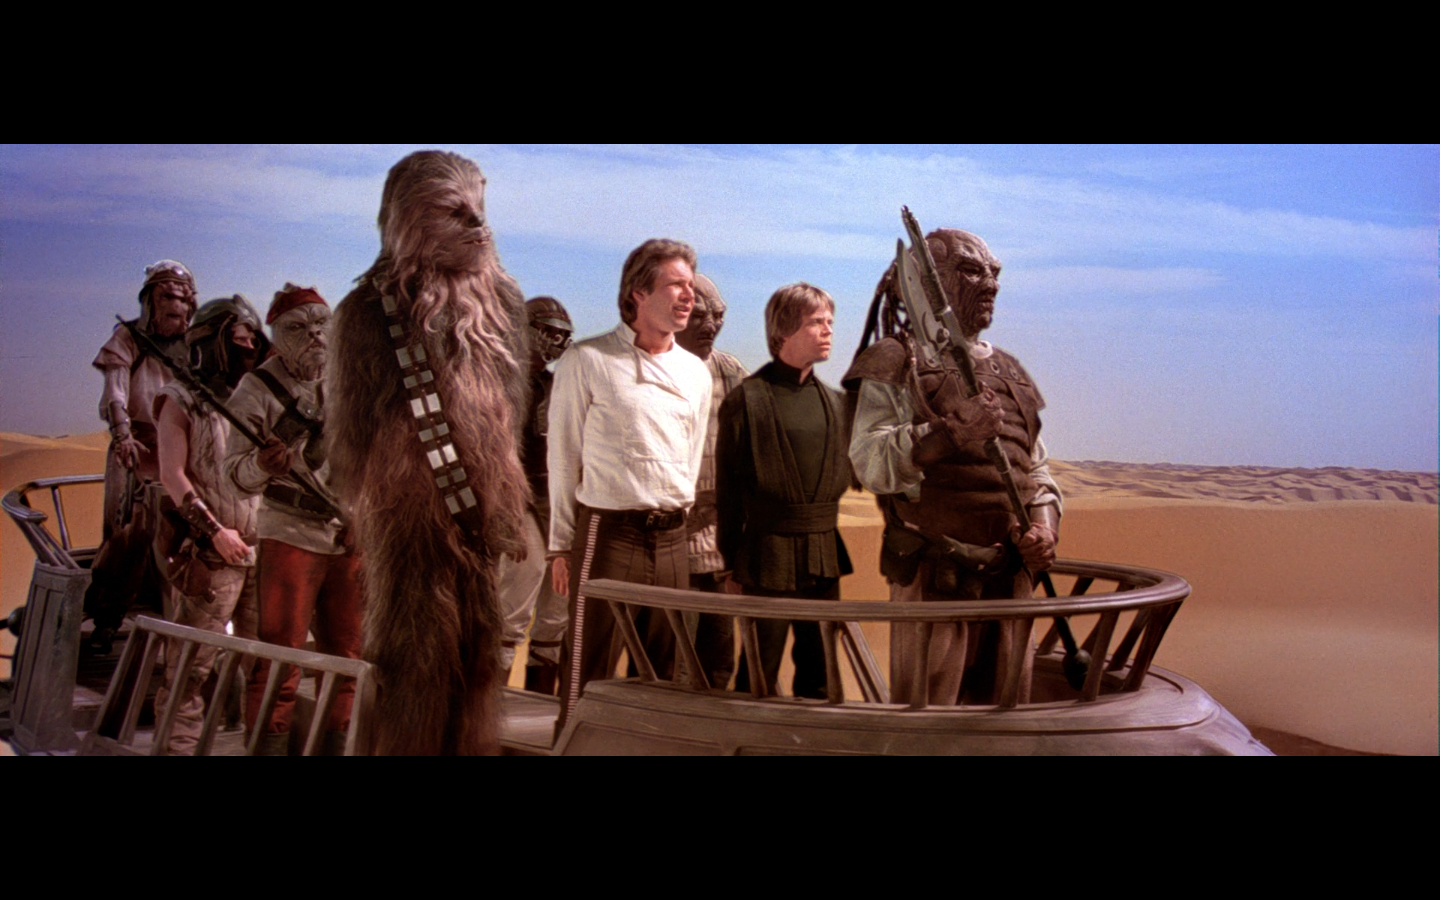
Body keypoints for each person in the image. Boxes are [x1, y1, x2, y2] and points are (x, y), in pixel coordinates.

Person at [327, 150, 531, 755]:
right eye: (456, 212)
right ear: (411, 222)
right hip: (406, 524)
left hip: (481, 521)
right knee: (412, 659)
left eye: (480, 209)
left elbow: (512, 420)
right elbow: (352, 439)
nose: (479, 224)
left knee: (479, 654)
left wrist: (504, 504)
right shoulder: (365, 313)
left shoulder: (506, 306)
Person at [844, 228, 1062, 706]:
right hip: (936, 579)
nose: (991, 284)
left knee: (1007, 718)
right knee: (930, 723)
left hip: (1010, 581)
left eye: (994, 272)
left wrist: (1044, 529)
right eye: (971, 271)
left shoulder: (1010, 372)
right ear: (928, 281)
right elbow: (870, 462)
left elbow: (1035, 471)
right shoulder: (896, 360)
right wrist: (949, 433)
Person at [548, 239, 711, 722]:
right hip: (610, 536)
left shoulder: (695, 372)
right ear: (638, 292)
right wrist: (560, 546)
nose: (689, 296)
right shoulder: (588, 360)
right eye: (675, 285)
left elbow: (690, 460)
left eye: (691, 286)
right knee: (588, 673)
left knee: (666, 680)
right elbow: (563, 457)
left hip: (673, 539)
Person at [225, 283, 362, 755]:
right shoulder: (256, 391)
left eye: (322, 325)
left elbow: (371, 460)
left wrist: (364, 515)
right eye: (299, 328)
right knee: (280, 656)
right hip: (289, 532)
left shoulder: (350, 382)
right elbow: (234, 477)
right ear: (279, 336)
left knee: (347, 657)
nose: (315, 336)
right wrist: (262, 466)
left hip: (349, 535)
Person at [717, 283, 853, 698]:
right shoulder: (746, 401)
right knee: (757, 674)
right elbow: (728, 492)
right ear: (784, 331)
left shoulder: (838, 404)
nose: (828, 330)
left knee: (822, 674)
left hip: (824, 555)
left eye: (830, 321)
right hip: (766, 556)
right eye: (816, 322)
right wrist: (729, 563)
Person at [150, 295, 268, 754]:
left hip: (261, 548)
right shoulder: (180, 400)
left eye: (252, 340)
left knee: (266, 663)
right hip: (212, 553)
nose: (247, 348)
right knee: (190, 668)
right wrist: (215, 531)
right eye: (237, 339)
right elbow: (172, 475)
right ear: (212, 342)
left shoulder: (255, 400)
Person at [84, 260, 198, 652]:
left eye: (183, 298)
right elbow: (115, 391)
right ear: (151, 300)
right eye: (167, 296)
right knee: (130, 534)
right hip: (137, 445)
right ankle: (107, 617)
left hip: (183, 445)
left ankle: (194, 625)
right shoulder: (128, 338)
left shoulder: (196, 344)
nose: (176, 305)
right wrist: (122, 435)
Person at [495, 296, 574, 696]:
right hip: (516, 502)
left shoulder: (561, 386)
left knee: (556, 618)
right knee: (511, 613)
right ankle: (491, 709)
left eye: (561, 335)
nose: (555, 342)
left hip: (558, 506)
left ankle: (539, 709)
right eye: (548, 332)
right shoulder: (496, 383)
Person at [673, 274, 747, 690]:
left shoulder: (731, 372)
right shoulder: (646, 370)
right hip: (666, 545)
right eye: (700, 316)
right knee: (671, 662)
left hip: (719, 545)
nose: (711, 325)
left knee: (719, 660)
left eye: (718, 315)